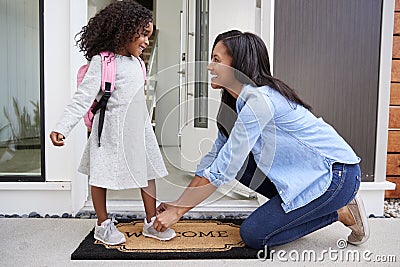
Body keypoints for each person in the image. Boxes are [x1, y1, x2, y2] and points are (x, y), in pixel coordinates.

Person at [153, 30, 369, 250]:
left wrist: (179, 212)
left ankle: (341, 211)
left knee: (254, 235)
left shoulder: (260, 101)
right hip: (307, 175)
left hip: (336, 176)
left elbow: (225, 165)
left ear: (237, 65)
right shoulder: (235, 104)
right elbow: (215, 158)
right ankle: (302, 210)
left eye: (216, 60)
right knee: (240, 165)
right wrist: (178, 203)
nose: (210, 67)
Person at [49, 0, 176, 245]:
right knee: (101, 174)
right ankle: (102, 224)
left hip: (138, 130)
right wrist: (61, 127)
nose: (147, 42)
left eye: (149, 37)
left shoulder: (138, 62)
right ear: (124, 32)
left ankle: (151, 221)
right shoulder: (103, 62)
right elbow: (82, 98)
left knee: (147, 172)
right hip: (110, 130)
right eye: (143, 35)